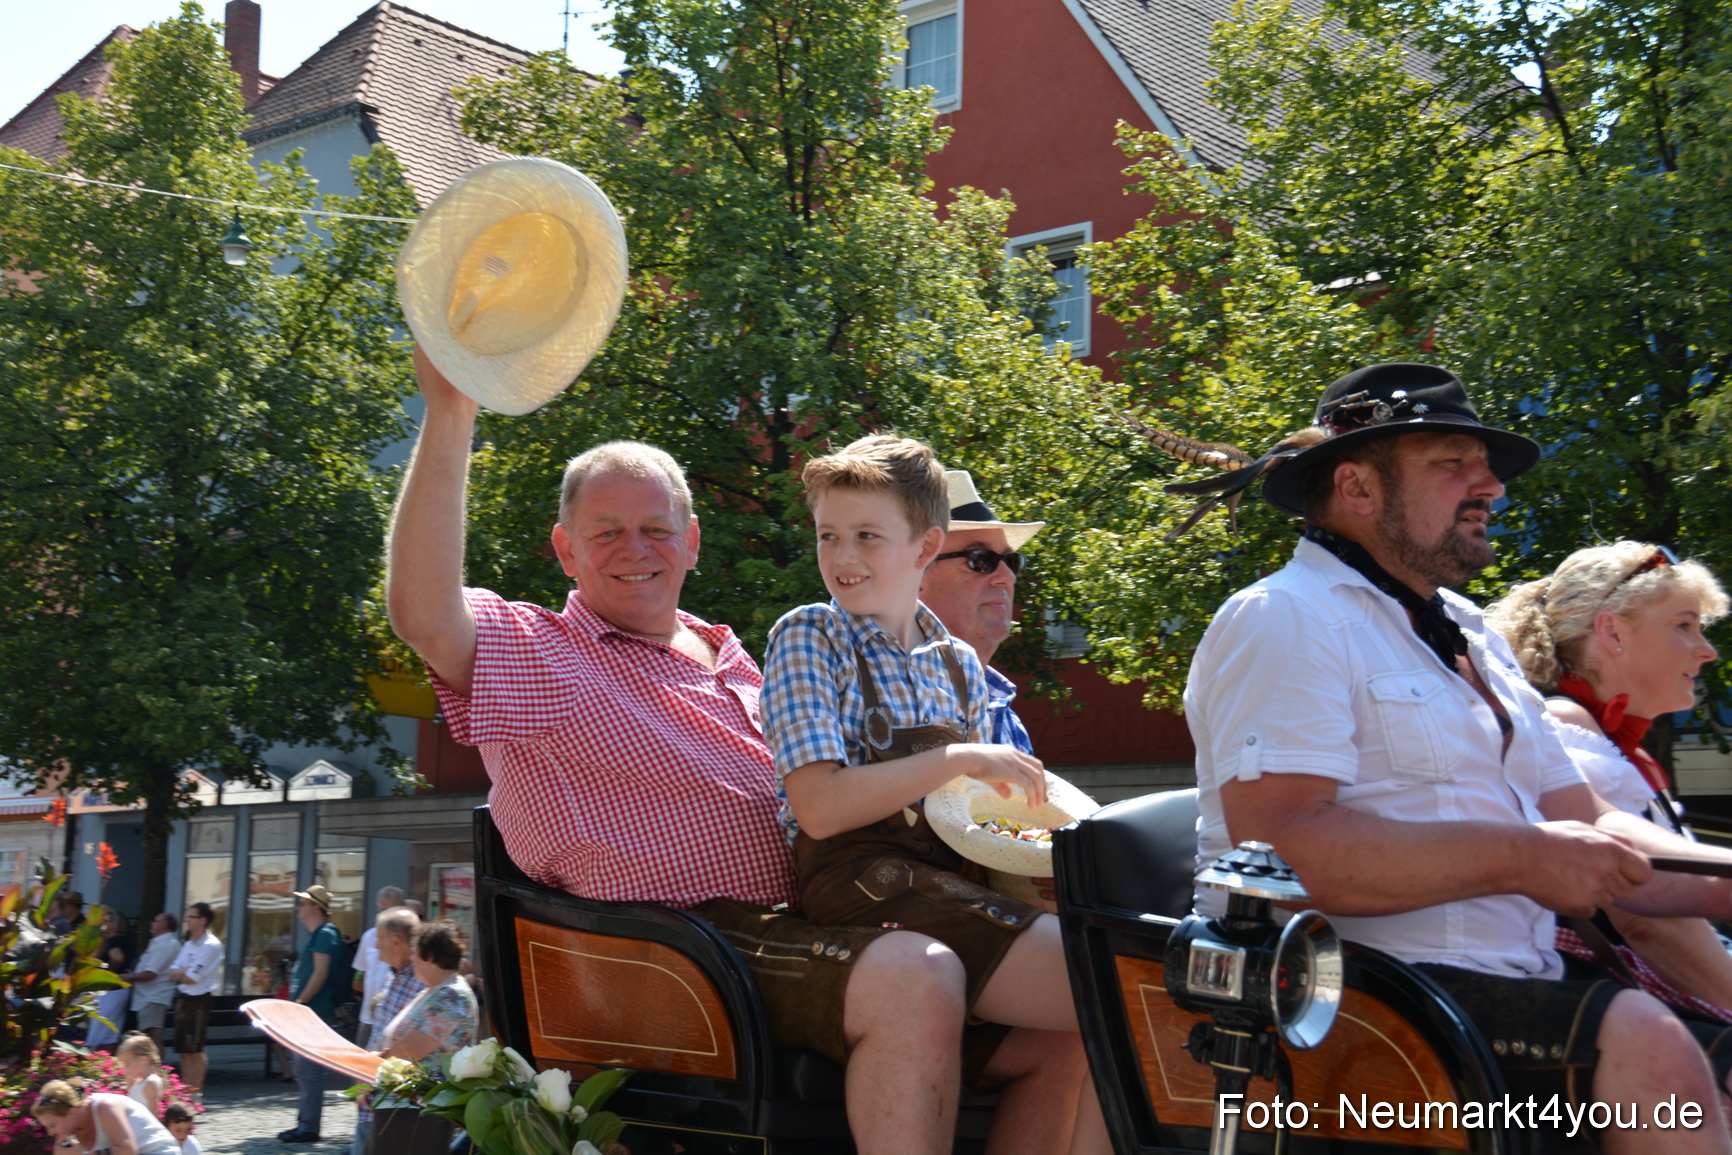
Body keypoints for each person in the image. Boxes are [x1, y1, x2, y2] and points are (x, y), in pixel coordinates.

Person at [387, 349, 1096, 1154]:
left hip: (819, 926)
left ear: (691, 542)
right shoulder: (541, 649)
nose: (635, 548)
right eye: (607, 532)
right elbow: (424, 615)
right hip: (678, 953)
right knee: (918, 974)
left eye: (656, 529)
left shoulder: (739, 659)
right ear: (566, 550)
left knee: (1073, 1027)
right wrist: (450, 416)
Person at [1186, 362, 1732, 1153]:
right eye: (1453, 464)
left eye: (1484, 468)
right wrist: (1521, 857)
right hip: (1355, 1004)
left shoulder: (1472, 632)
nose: (1491, 488)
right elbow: (1285, 849)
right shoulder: (1285, 618)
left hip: (1496, 988)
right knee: (1657, 1050)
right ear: (1358, 488)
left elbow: (1593, 822)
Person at [761, 434, 1106, 1154]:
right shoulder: (809, 636)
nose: (843, 556)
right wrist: (956, 755)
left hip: (953, 880)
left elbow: (980, 820)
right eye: (829, 535)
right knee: (1114, 988)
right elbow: (820, 806)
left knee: (1096, 1010)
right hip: (861, 881)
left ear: (924, 547)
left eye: (867, 536)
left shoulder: (954, 663)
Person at [1487, 542, 1732, 1014]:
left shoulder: (1607, 742)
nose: (1708, 651)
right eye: (1684, 625)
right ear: (1612, 631)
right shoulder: (1565, 723)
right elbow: (1646, 919)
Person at [918, 470, 1044, 753]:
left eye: (1011, 560)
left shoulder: (1004, 714)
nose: (1007, 577)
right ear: (915, 576)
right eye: (981, 560)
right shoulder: (875, 694)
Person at [369, 921, 478, 1155]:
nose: (411, 959)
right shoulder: (435, 990)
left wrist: (367, 1069)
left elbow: (409, 1052)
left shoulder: (451, 996)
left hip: (417, 1108)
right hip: (403, 1104)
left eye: (415, 953)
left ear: (430, 956)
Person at [354, 906, 426, 1155]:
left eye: (379, 938)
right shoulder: (393, 975)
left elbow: (406, 1048)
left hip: (394, 1105)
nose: (374, 944)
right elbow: (380, 1033)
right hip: (373, 1098)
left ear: (396, 942)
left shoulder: (422, 982)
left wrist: (368, 1079)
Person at [277, 884, 344, 1144]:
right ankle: (305, 1124)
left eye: (303, 903)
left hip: (312, 1013)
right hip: (309, 1012)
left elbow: (321, 973)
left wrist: (301, 1003)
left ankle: (308, 1127)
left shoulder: (325, 934)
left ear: (316, 907)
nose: (298, 907)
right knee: (305, 1072)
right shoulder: (320, 934)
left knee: (308, 1073)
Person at [31, 1078, 179, 1155]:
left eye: (52, 1125)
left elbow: (127, 1151)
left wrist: (85, 1154)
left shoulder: (106, 1106)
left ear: (72, 1112)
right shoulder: (66, 1131)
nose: (51, 1133)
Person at [166, 903, 222, 1095]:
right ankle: (184, 1091)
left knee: (195, 1048)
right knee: (184, 1049)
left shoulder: (211, 946)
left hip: (198, 999)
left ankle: (195, 1093)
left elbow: (192, 978)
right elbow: (171, 972)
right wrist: (182, 972)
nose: (186, 920)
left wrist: (181, 973)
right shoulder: (189, 944)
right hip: (183, 997)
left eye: (190, 916)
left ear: (203, 920)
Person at [354, 885, 406, 1050]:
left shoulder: (408, 940)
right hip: (368, 1017)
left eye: (391, 910)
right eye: (382, 911)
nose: (386, 916)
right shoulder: (369, 936)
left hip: (395, 1018)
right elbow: (360, 972)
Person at [122, 912, 180, 1050]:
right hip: (149, 996)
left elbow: (151, 974)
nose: (151, 923)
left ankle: (158, 1069)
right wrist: (134, 975)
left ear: (164, 925)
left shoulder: (165, 944)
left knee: (152, 1035)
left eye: (155, 920)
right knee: (150, 1034)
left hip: (153, 996)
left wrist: (129, 977)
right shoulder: (161, 942)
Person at [87, 908, 136, 1049]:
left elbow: (117, 957)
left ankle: (101, 1063)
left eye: (107, 922)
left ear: (115, 924)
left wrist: (111, 972)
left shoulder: (114, 941)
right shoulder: (125, 940)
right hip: (120, 991)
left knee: (103, 1033)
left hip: (111, 992)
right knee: (111, 1033)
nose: (104, 925)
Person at [117, 1033, 165, 1116]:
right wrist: (129, 1081)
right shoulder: (142, 1081)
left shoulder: (150, 1082)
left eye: (128, 1063)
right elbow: (133, 1099)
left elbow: (153, 1115)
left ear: (143, 1060)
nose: (126, 1068)